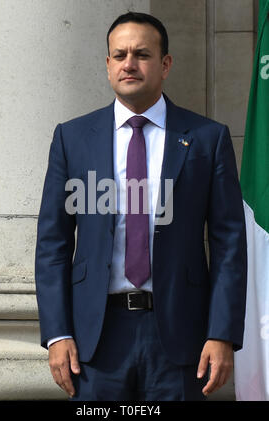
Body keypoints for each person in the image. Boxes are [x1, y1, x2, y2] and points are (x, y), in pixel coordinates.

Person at [35, 12, 247, 401]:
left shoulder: (206, 139)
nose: (129, 64)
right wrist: (57, 333)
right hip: (94, 340)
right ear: (108, 64)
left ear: (165, 64)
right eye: (119, 55)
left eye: (142, 54)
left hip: (180, 338)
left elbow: (229, 245)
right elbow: (53, 244)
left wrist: (222, 333)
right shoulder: (73, 138)